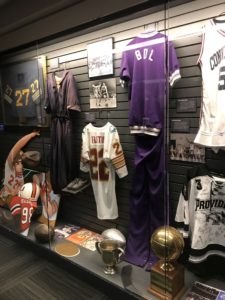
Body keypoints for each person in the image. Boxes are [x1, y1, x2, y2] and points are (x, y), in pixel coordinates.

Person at [0, 131, 40, 208]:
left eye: (21, 162)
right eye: (18, 162)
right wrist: (31, 135)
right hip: (5, 201)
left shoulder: (21, 174)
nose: (21, 165)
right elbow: (17, 146)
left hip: (13, 203)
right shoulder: (9, 167)